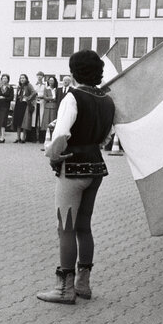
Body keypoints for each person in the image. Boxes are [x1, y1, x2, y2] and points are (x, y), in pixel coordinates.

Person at [38, 50, 114, 304]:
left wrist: (53, 155)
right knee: (84, 225)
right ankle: (83, 283)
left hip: (72, 167)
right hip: (96, 166)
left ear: (73, 70)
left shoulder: (72, 97)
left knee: (65, 227)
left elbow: (61, 134)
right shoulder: (107, 99)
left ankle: (64, 288)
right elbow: (105, 135)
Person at [13, 74, 36, 143]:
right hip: (18, 104)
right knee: (18, 121)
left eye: (23, 78)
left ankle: (23, 138)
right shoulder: (19, 86)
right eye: (21, 78)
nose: (22, 79)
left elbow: (34, 92)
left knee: (24, 121)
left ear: (26, 79)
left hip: (25, 104)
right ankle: (18, 137)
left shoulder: (28, 85)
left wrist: (28, 98)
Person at [0, 74, 13, 143]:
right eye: (3, 78)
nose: (4, 80)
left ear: (8, 80)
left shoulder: (10, 88)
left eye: (6, 78)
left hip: (5, 106)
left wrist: (4, 98)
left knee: (3, 121)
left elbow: (11, 97)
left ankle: (2, 137)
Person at [40, 76, 60, 149]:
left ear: (54, 81)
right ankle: (46, 142)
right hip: (47, 107)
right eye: (50, 80)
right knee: (46, 124)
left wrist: (52, 99)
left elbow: (57, 98)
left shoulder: (57, 89)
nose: (51, 82)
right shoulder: (46, 89)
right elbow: (45, 97)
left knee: (53, 124)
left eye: (52, 80)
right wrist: (52, 98)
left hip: (54, 107)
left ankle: (53, 142)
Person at [33, 71, 47, 142]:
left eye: (41, 75)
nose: (39, 77)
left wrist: (40, 95)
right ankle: (34, 137)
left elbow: (46, 94)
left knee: (41, 120)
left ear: (43, 77)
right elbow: (33, 93)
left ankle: (41, 137)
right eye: (38, 75)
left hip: (42, 102)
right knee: (34, 120)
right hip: (35, 102)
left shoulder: (45, 85)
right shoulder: (34, 84)